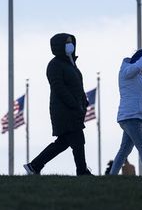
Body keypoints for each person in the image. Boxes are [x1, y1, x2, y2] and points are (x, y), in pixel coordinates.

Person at [24, 33, 92, 176]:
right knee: (78, 139)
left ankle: (34, 166)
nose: (70, 45)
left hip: (74, 109)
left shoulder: (71, 64)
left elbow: (78, 86)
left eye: (71, 42)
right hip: (63, 110)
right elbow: (58, 88)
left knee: (63, 142)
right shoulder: (54, 64)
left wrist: (84, 102)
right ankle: (82, 171)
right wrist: (74, 104)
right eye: (67, 42)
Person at [108, 48, 142, 175]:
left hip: (138, 117)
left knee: (124, 150)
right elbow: (135, 68)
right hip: (130, 116)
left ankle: (112, 176)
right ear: (140, 60)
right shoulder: (126, 70)